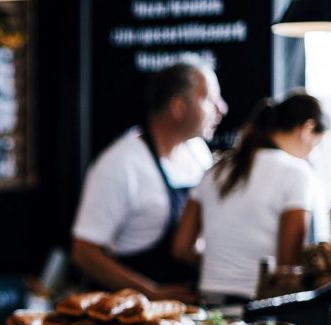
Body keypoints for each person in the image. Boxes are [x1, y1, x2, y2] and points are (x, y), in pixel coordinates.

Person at [71, 60, 228, 301]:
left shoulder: (197, 151)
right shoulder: (120, 164)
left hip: (188, 308)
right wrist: (150, 293)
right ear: (178, 106)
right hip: (129, 314)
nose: (222, 108)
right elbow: (84, 252)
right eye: (209, 99)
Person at [172, 92, 330, 302]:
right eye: (317, 144)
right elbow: (288, 266)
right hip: (262, 306)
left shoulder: (216, 170)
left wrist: (223, 266)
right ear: (308, 128)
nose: (312, 152)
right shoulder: (298, 173)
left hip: (210, 302)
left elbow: (181, 248)